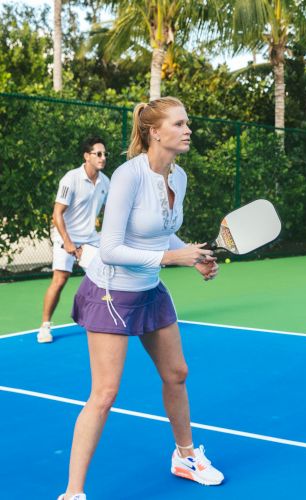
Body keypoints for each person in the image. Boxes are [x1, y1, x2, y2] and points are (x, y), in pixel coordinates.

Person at [58, 97, 223, 500]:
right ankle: (73, 492)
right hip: (112, 292)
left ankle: (185, 456)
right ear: (155, 132)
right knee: (105, 394)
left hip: (149, 290)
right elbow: (110, 247)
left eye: (188, 123)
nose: (188, 130)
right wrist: (172, 258)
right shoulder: (128, 176)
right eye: (180, 124)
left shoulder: (178, 177)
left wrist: (193, 257)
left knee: (176, 373)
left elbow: (162, 229)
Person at [37, 137, 110, 343]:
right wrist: (68, 242)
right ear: (87, 156)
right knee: (60, 279)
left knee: (103, 279)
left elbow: (112, 212)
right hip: (65, 234)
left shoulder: (106, 182)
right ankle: (44, 327)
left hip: (90, 238)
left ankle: (99, 319)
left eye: (105, 154)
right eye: (98, 154)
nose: (103, 158)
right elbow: (57, 214)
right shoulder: (71, 179)